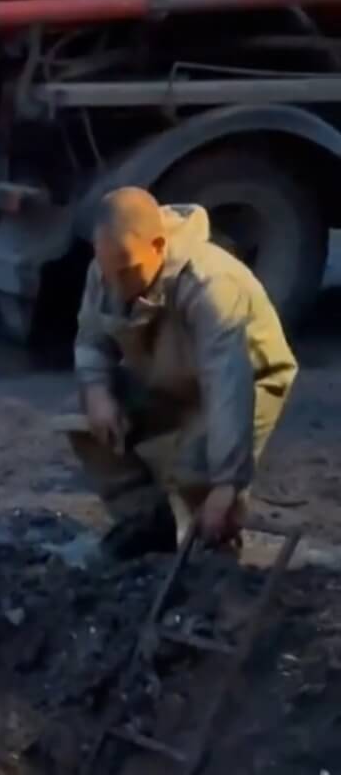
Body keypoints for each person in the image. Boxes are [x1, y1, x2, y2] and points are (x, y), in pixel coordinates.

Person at [69, 186, 298, 557]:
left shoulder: (212, 284)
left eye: (127, 273)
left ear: (159, 246)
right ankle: (148, 524)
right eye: (109, 273)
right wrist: (97, 392)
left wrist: (227, 482)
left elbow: (228, 382)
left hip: (244, 381)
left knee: (199, 468)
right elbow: (90, 340)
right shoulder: (110, 265)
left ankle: (216, 552)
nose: (116, 286)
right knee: (82, 418)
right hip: (171, 375)